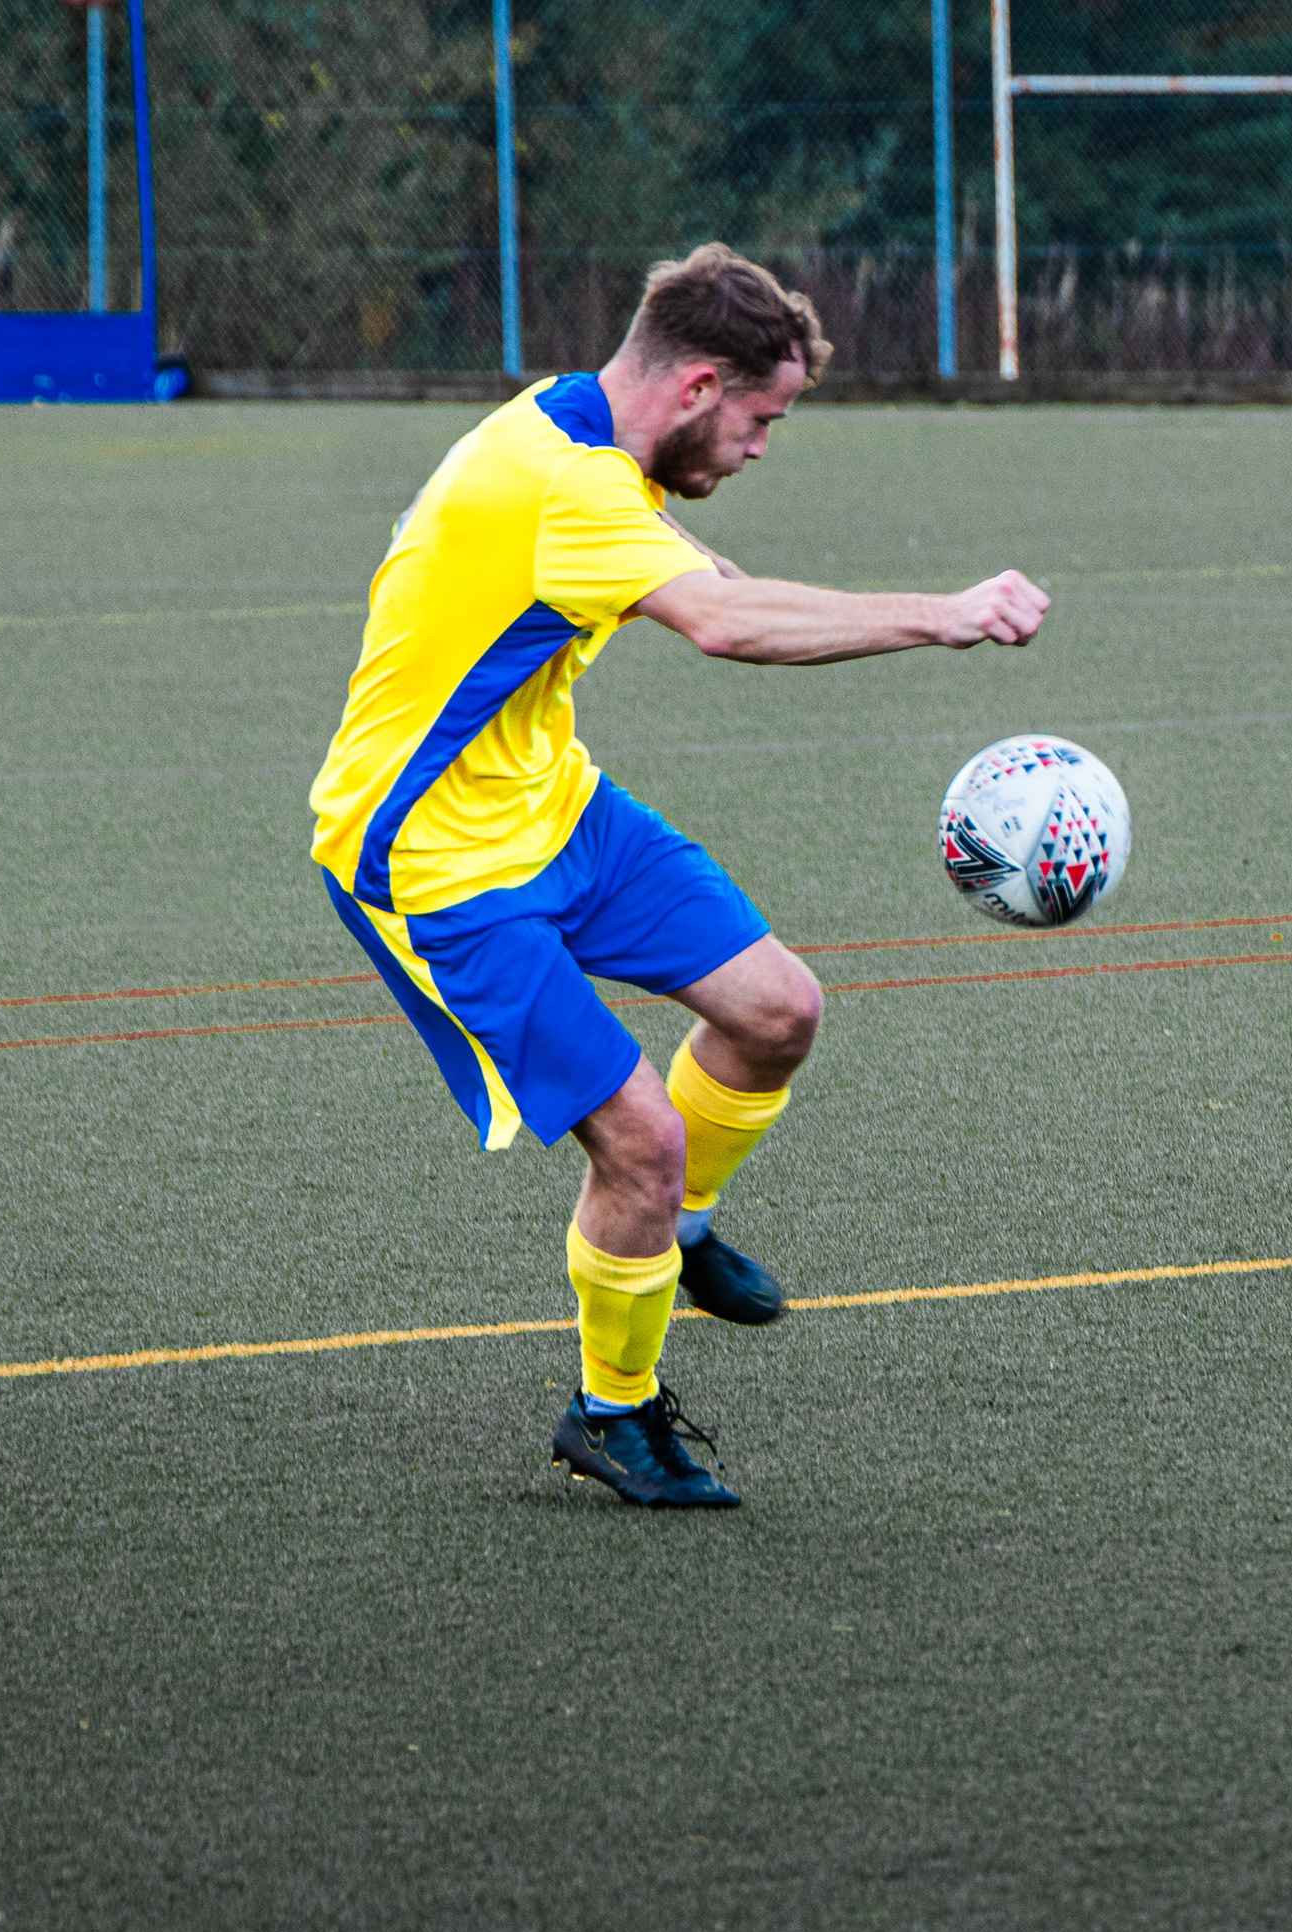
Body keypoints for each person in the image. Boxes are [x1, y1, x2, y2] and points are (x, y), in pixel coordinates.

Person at [307, 246, 1051, 1509]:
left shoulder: (578, 423)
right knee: (641, 1141)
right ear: (699, 384)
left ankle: (681, 1224)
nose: (761, 447)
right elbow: (724, 622)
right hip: (432, 858)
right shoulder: (568, 484)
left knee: (778, 1010)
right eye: (763, 418)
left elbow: (718, 583)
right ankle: (613, 1410)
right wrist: (945, 612)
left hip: (552, 807)